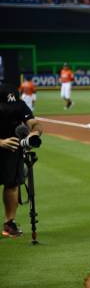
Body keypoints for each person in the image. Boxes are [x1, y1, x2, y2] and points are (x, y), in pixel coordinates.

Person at [0, 84, 43, 237]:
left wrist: (34, 133)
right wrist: (1, 142)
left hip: (13, 150)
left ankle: (9, 223)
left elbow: (34, 123)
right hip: (3, 145)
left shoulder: (20, 105)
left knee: (12, 185)